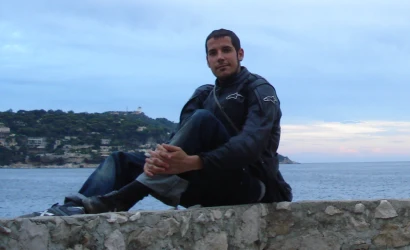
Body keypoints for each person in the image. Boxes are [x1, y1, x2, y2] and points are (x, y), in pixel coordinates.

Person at [31, 29, 292, 216]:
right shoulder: (203, 95)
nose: (220, 57)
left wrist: (195, 162)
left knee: (203, 121)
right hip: (206, 183)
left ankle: (121, 199)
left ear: (240, 53)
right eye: (213, 53)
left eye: (226, 50)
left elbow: (251, 144)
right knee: (120, 161)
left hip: (252, 187)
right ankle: (69, 211)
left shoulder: (258, 89)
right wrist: (161, 158)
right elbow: (180, 137)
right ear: (207, 60)